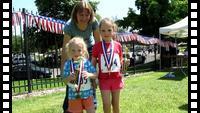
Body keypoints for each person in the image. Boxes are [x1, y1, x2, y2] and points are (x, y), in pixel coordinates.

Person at [60, 1, 100, 113]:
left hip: (90, 48)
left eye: (87, 15)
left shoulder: (94, 22)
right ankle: (68, 108)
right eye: (81, 14)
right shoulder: (69, 25)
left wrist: (98, 65)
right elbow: (65, 49)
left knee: (88, 77)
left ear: (90, 15)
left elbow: (98, 44)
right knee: (72, 75)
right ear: (75, 14)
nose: (84, 17)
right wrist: (63, 70)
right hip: (74, 48)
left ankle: (92, 104)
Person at [92, 18, 124, 113]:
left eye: (109, 30)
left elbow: (120, 60)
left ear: (113, 31)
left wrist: (124, 63)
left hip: (116, 79)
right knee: (106, 104)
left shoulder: (118, 45)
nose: (106, 33)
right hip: (103, 80)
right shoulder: (97, 46)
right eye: (103, 30)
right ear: (100, 32)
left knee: (116, 104)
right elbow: (92, 64)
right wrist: (93, 79)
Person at [63, 37, 97, 113]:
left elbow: (95, 74)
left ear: (83, 51)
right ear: (69, 51)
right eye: (73, 50)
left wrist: (89, 74)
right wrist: (69, 78)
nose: (76, 53)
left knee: (91, 111)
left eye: (79, 50)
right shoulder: (67, 64)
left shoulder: (86, 63)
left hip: (87, 94)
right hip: (74, 96)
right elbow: (64, 80)